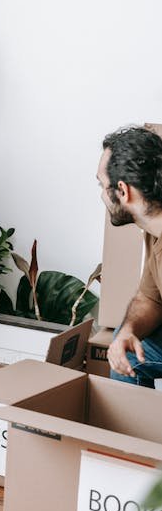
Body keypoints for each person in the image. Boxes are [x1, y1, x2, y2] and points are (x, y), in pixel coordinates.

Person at [97, 125, 162, 387]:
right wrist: (128, 331)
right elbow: (150, 297)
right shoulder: (153, 229)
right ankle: (127, 426)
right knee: (125, 350)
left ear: (123, 191)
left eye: (102, 185)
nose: (101, 195)